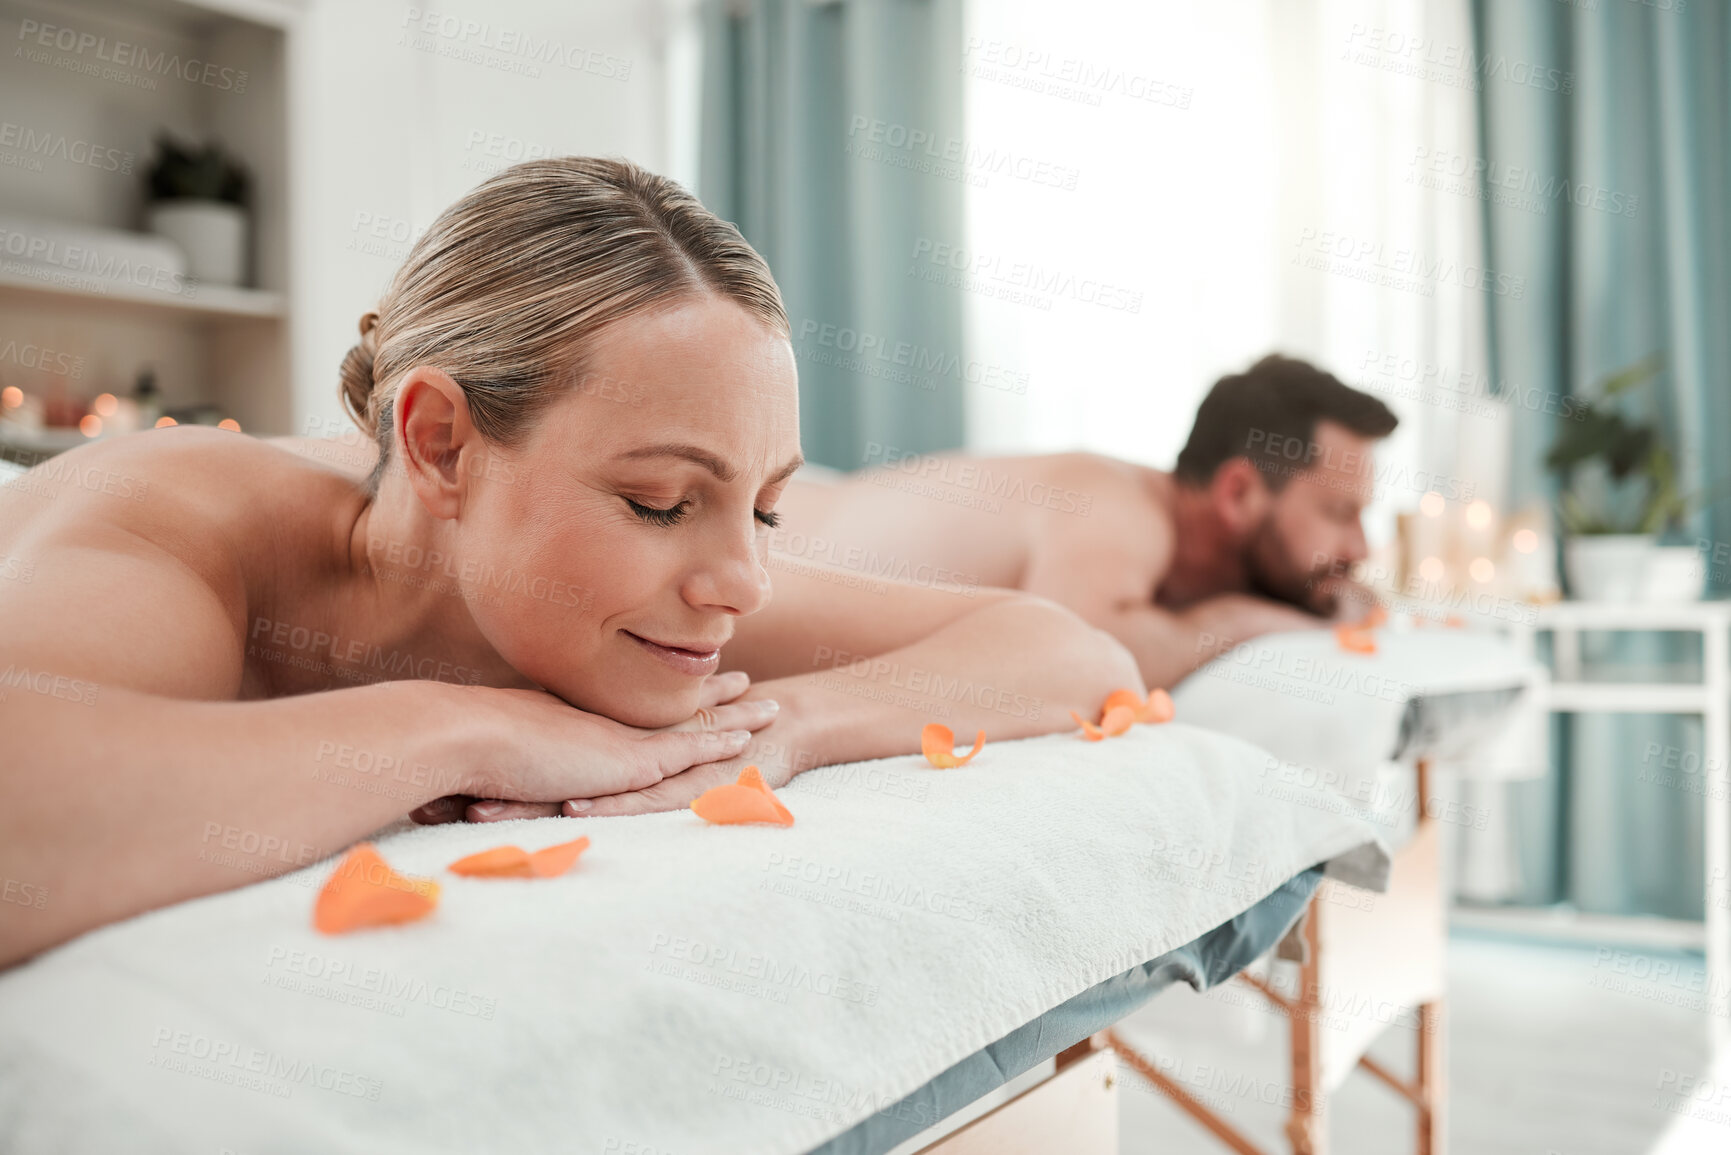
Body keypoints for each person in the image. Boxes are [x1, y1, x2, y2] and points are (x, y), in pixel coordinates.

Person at [0, 158, 1137, 969]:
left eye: (768, 509)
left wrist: (780, 730)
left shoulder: (654, 596)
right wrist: (462, 727)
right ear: (440, 442)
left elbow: (1069, 652)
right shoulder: (168, 526)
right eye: (661, 500)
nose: (741, 580)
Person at [777, 355, 1399, 689]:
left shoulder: (1185, 555)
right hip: (771, 533)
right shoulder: (1115, 505)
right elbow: (1090, 651)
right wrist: (1253, 619)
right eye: (1339, 513)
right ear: (1238, 493)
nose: (1361, 546)